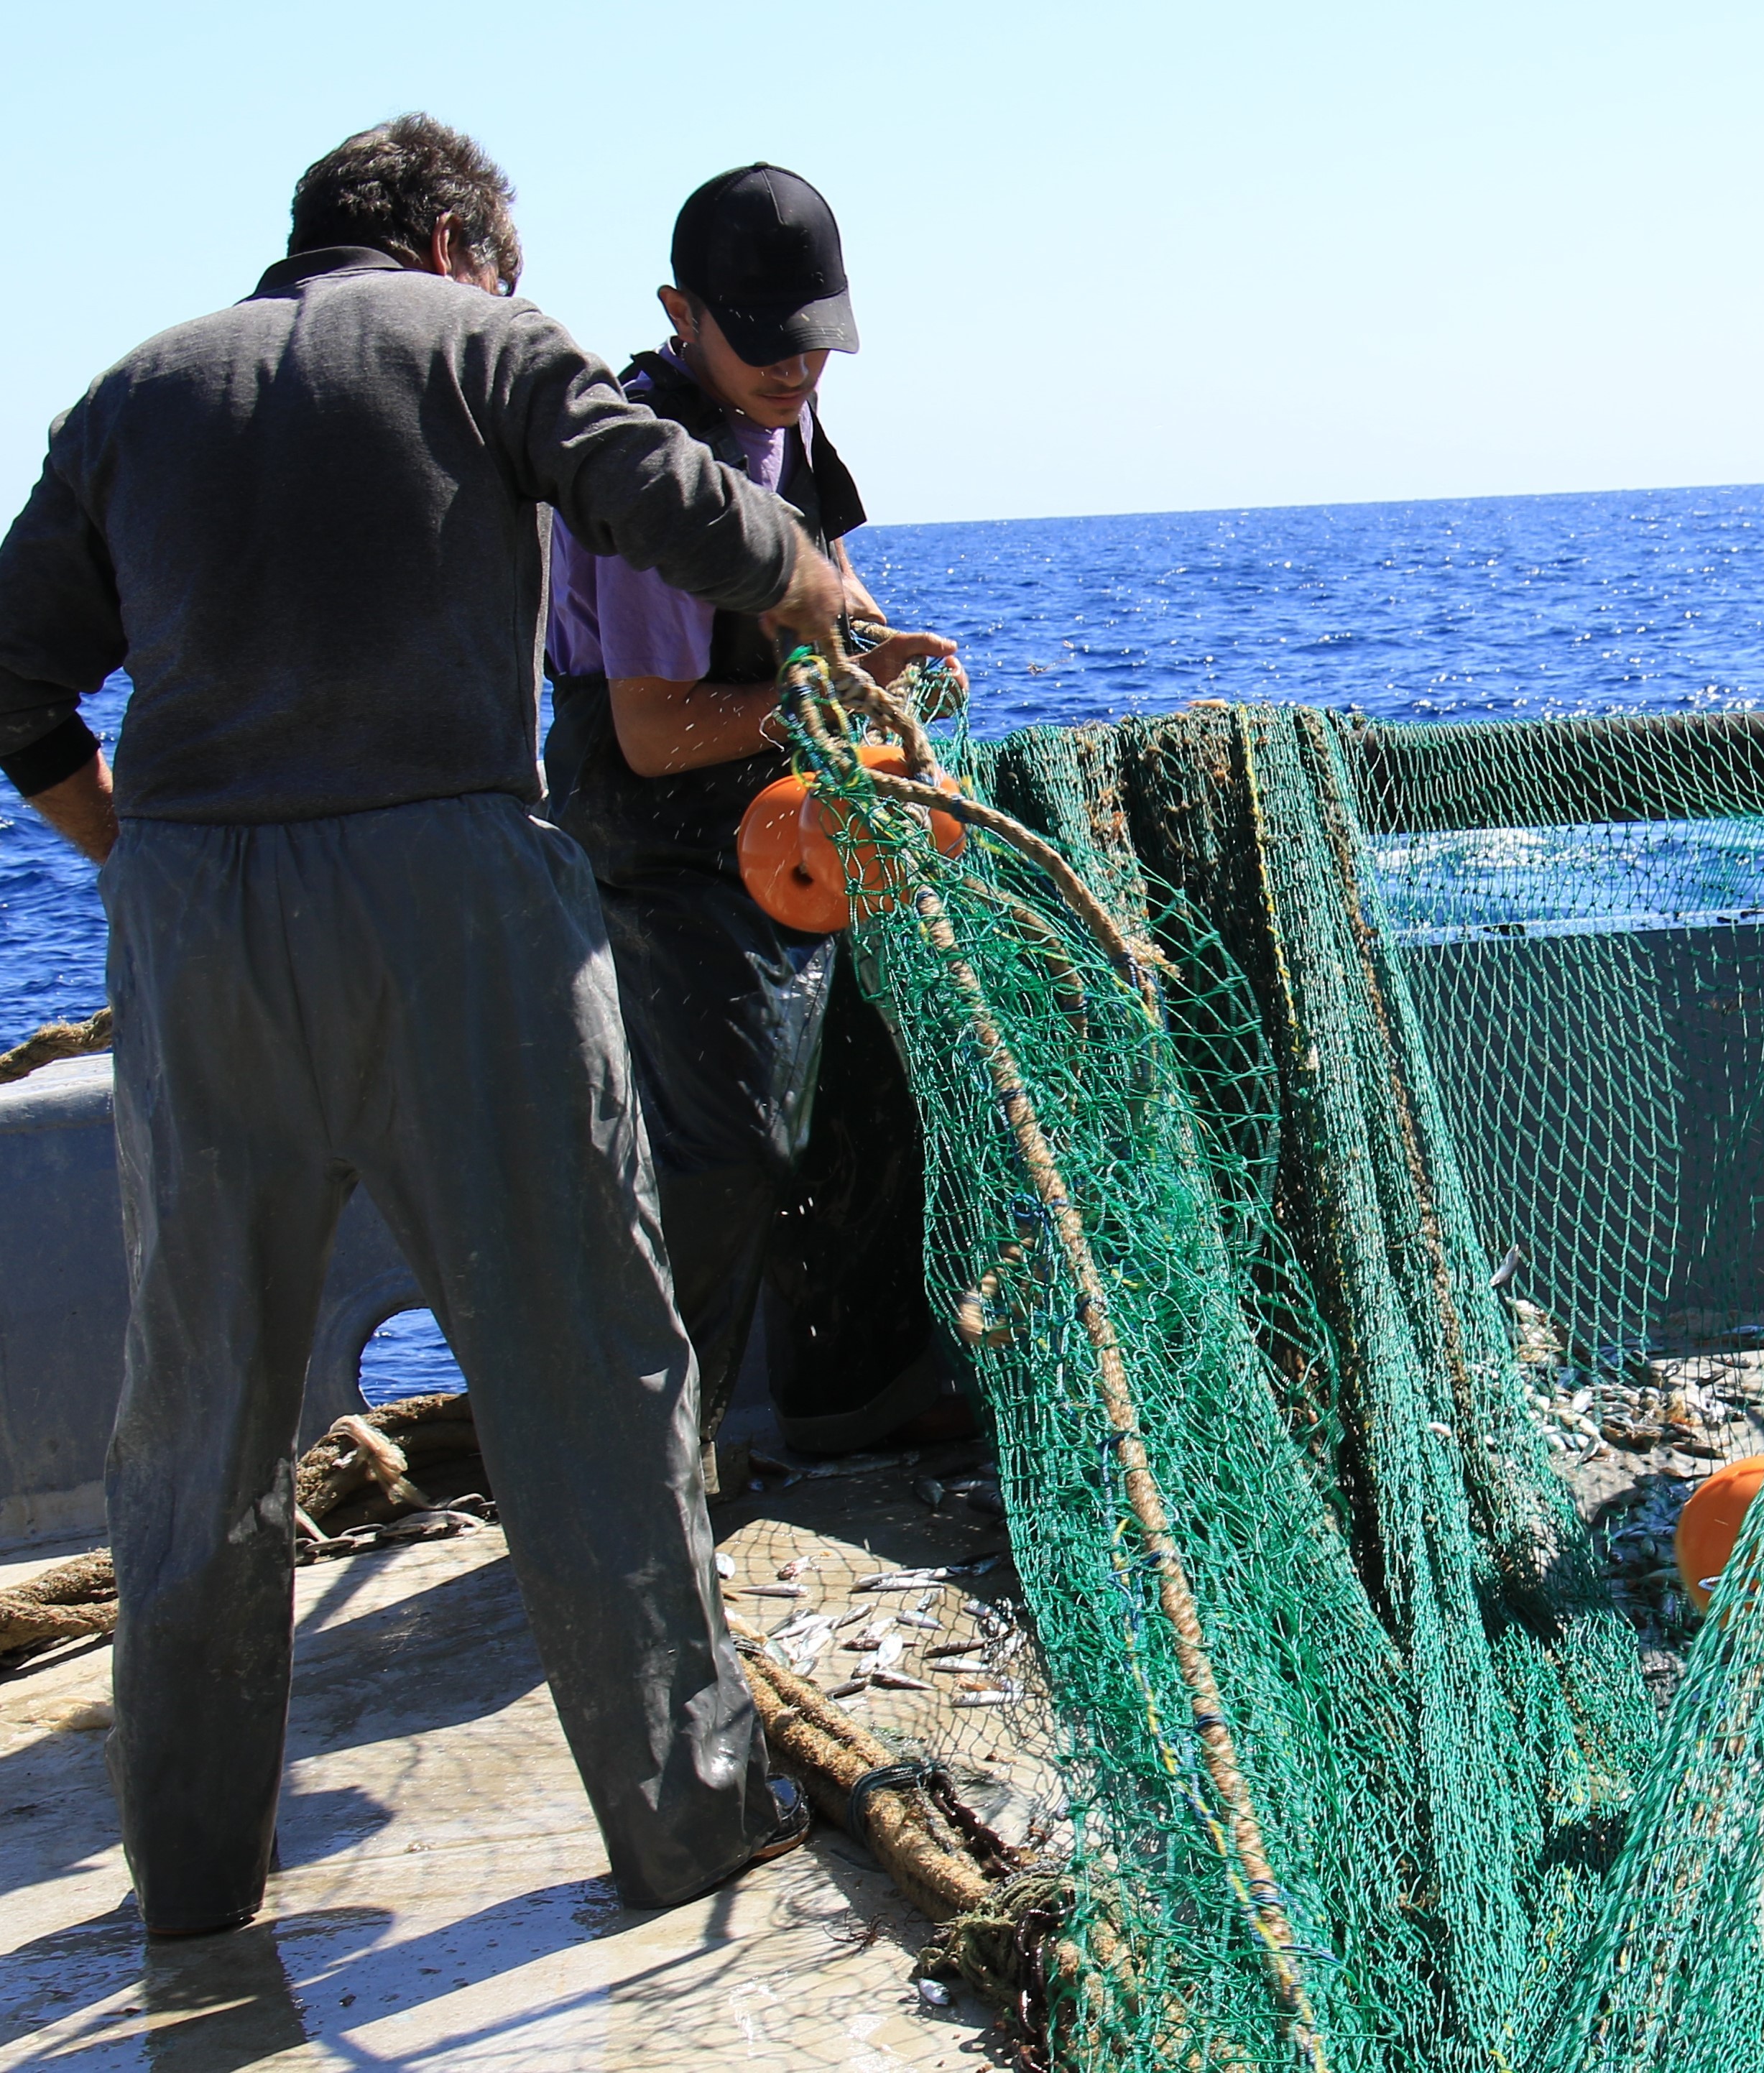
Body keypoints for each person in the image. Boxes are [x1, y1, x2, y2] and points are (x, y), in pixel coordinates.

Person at [0, 114, 841, 1934]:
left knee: (203, 1413)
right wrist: (813, 588)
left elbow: (13, 674)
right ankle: (691, 1820)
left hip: (200, 919)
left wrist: (134, 850)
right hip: (456, 897)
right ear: (457, 242)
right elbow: (670, 497)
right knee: (588, 1357)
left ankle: (195, 1880)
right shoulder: (480, 343)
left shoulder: (130, 393)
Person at [542, 163, 971, 1457]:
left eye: (819, 344)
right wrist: (825, 700)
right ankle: (657, 1461)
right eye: (769, 345)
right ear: (682, 314)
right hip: (659, 828)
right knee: (730, 1143)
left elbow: (830, 589)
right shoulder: (651, 474)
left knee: (864, 1091)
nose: (799, 372)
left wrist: (881, 655)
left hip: (782, 811)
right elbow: (651, 726)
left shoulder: (787, 418)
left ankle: (859, 1396)